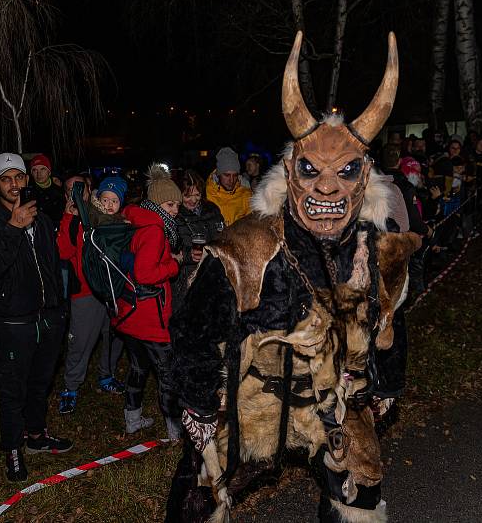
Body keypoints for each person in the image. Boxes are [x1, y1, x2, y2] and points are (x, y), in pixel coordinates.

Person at [167, 32, 421, 523]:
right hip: (250, 400)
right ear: (289, 173)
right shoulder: (248, 247)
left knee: (361, 492)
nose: (327, 185)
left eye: (345, 172)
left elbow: (390, 320)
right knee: (196, 499)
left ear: (365, 178)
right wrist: (199, 404)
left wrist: (387, 380)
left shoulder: (377, 250)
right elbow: (194, 330)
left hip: (335, 398)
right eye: (311, 170)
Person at [0, 153, 72, 483]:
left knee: (40, 383)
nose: (14, 184)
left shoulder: (40, 218)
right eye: (6, 179)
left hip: (47, 317)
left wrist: (59, 310)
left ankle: (37, 436)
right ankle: (13, 449)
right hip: (11, 322)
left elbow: (51, 266)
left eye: (19, 177)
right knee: (12, 390)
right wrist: (13, 227)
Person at [113, 163, 183, 439]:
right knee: (167, 375)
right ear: (155, 204)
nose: (175, 210)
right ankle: (175, 428)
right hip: (149, 318)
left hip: (130, 314)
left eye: (177, 205)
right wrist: (173, 266)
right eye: (170, 204)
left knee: (138, 368)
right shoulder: (155, 231)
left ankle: (132, 420)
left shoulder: (136, 220)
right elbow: (145, 273)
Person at [56, 175, 126, 415]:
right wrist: (68, 217)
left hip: (111, 288)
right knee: (81, 341)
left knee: (114, 335)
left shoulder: (107, 212)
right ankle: (71, 387)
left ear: (89, 190)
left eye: (80, 188)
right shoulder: (74, 219)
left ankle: (106, 376)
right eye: (70, 189)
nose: (76, 192)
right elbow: (64, 252)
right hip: (85, 292)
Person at [172, 170, 224, 312]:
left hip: (213, 276)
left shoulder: (212, 209)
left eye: (197, 195)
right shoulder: (175, 215)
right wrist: (189, 255)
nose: (193, 200)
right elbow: (171, 249)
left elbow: (221, 237)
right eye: (187, 196)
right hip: (187, 280)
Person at [206, 147, 252, 226]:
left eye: (235, 175)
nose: (231, 180)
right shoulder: (206, 193)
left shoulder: (246, 195)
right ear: (218, 174)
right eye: (227, 175)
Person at [28, 153, 65, 226]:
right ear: (31, 173)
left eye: (43, 169)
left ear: (49, 172)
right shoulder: (29, 193)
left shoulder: (60, 190)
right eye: (35, 170)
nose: (39, 174)